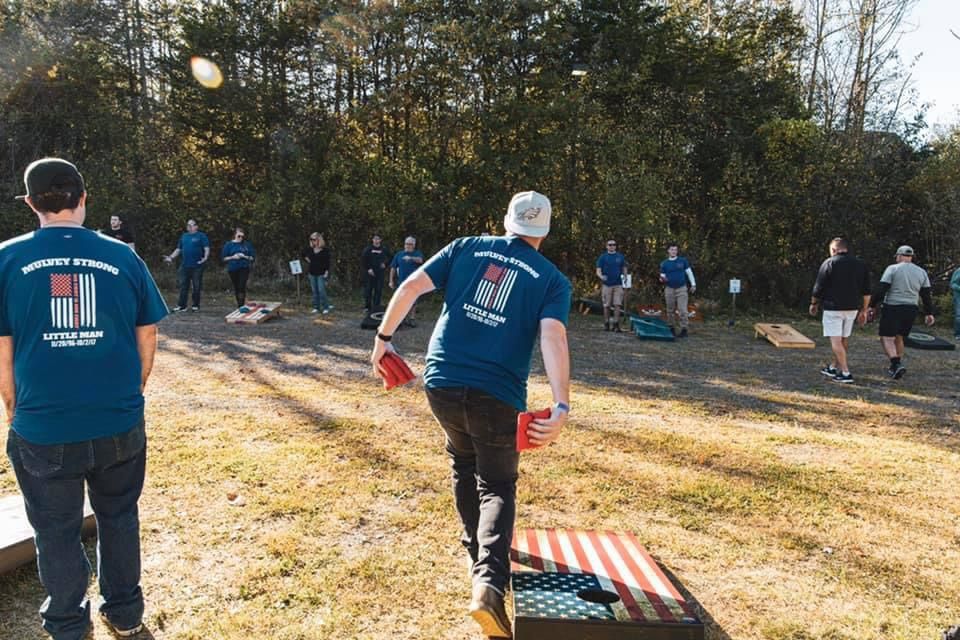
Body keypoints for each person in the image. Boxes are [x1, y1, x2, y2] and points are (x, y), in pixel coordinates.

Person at [370, 191, 571, 639]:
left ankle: (475, 552)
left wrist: (383, 338)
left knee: (463, 462)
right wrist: (561, 404)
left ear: (507, 220)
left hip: (440, 383)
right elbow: (552, 338)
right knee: (498, 483)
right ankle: (488, 586)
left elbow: (408, 288)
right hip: (496, 394)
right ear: (544, 231)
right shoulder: (552, 279)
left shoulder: (465, 246)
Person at [2, 157, 168, 639]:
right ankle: (125, 610)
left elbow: (3, 349)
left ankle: (68, 623)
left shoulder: (6, 259)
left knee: (54, 529)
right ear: (83, 197)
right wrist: (131, 393)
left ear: (32, 203)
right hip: (118, 421)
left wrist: (15, 410)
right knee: (118, 515)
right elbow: (147, 335)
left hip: (43, 426)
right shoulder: (122, 256)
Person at [867, 245, 935, 379]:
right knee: (899, 336)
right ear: (911, 257)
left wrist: (871, 306)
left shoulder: (893, 269)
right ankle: (896, 366)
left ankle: (895, 363)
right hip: (911, 308)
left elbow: (882, 289)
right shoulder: (921, 272)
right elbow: (926, 294)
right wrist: (929, 313)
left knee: (886, 337)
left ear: (899, 256)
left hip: (893, 306)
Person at [809, 237, 871, 383]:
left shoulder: (829, 263)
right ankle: (833, 367)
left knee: (835, 341)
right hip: (852, 308)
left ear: (834, 250)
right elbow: (867, 291)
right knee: (843, 339)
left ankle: (845, 372)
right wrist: (864, 310)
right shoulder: (860, 264)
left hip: (833, 308)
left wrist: (814, 303)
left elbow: (818, 287)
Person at [163, 219, 210, 312]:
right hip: (185, 265)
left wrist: (205, 257)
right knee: (183, 285)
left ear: (196, 226)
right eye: (188, 225)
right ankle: (182, 306)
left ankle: (195, 305)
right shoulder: (184, 236)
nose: (189, 226)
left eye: (191, 225)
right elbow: (178, 249)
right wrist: (171, 257)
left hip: (197, 265)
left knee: (196, 286)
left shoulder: (201, 236)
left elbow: (206, 248)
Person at [659, 242, 696, 337]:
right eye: (672, 249)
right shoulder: (664, 263)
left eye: (675, 250)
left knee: (682, 310)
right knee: (670, 309)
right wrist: (662, 279)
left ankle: (684, 329)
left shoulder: (682, 261)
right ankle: (671, 328)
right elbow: (662, 276)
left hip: (681, 288)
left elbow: (689, 273)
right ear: (668, 251)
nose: (674, 251)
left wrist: (693, 284)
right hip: (669, 288)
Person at [389, 236, 424, 326]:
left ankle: (412, 319)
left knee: (413, 301)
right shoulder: (399, 254)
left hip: (414, 282)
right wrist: (391, 281)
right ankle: (403, 318)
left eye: (410, 244)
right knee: (401, 300)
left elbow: (420, 260)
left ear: (414, 245)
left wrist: (411, 258)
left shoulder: (417, 253)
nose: (407, 246)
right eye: (406, 243)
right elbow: (393, 268)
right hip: (402, 282)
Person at [594, 239, 627, 332]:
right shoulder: (603, 257)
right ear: (606, 246)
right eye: (610, 244)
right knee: (606, 305)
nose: (612, 246)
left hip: (618, 284)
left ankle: (616, 324)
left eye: (614, 244)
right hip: (606, 285)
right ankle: (606, 323)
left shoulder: (620, 257)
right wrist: (601, 276)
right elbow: (598, 270)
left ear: (615, 246)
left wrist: (625, 276)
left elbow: (624, 267)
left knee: (617, 304)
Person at [221, 227, 255, 308]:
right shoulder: (228, 245)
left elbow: (252, 257)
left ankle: (241, 305)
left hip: (244, 268)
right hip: (233, 269)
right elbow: (224, 258)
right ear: (235, 235)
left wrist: (245, 256)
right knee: (237, 287)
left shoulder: (247, 244)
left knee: (241, 286)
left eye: (242, 236)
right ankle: (239, 304)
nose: (241, 238)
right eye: (239, 236)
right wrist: (233, 257)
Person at [302, 232, 333, 314]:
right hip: (312, 272)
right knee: (314, 291)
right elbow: (303, 253)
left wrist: (326, 271)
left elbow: (328, 262)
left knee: (321, 290)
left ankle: (326, 307)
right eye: (311, 239)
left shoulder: (325, 250)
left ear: (319, 240)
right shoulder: (310, 249)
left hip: (321, 273)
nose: (312, 241)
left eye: (314, 239)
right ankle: (316, 307)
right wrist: (308, 260)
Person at [361, 234, 389, 312]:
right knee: (368, 290)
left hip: (380, 273)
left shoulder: (384, 249)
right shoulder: (368, 249)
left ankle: (376, 307)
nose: (376, 240)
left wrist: (385, 264)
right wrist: (368, 269)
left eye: (378, 239)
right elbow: (363, 260)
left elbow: (391, 258)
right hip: (369, 273)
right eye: (375, 239)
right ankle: (367, 307)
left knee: (378, 290)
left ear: (380, 240)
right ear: (372, 240)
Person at [952, 264, 960, 340]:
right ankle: (958, 334)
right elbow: (953, 284)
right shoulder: (958, 271)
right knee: (959, 316)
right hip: (958, 297)